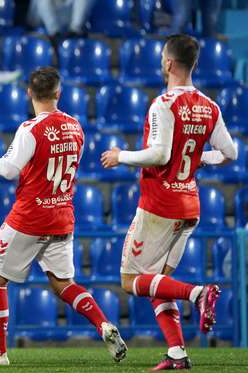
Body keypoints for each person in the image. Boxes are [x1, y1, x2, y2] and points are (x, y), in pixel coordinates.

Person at [0, 66, 127, 366]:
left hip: (30, 216)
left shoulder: (30, 129)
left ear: (29, 93)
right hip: (62, 215)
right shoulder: (76, 126)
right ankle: (103, 324)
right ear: (59, 93)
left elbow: (9, 170)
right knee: (64, 283)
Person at [101, 34, 237, 371]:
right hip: (190, 204)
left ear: (168, 63)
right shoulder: (210, 105)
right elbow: (231, 153)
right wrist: (198, 160)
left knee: (131, 282)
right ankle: (178, 353)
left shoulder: (164, 103)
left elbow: (159, 154)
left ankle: (198, 294)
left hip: (160, 204)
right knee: (159, 283)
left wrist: (121, 156)